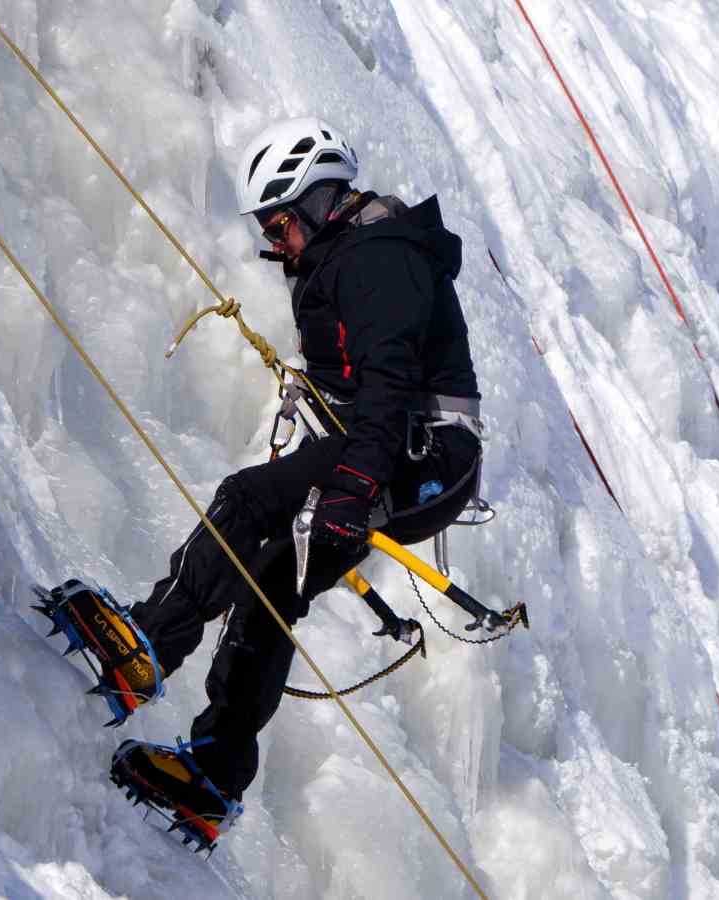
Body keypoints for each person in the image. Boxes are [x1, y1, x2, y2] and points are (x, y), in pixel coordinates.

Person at [38, 116, 484, 850]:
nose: (275, 244)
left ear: (318, 199)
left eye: (280, 224)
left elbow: (390, 381)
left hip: (413, 452)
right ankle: (212, 776)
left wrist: (349, 489)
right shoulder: (356, 254)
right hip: (408, 458)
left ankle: (144, 645)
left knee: (246, 500)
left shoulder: (378, 257)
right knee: (273, 584)